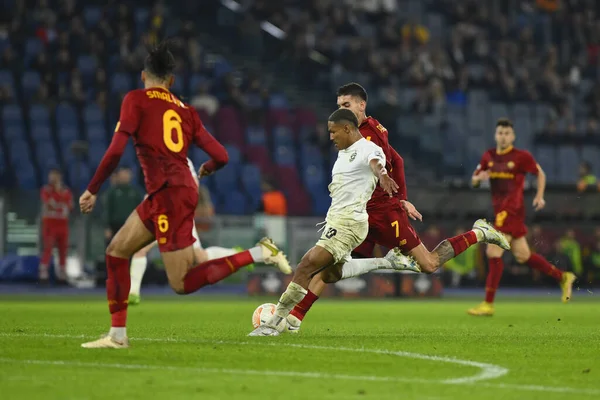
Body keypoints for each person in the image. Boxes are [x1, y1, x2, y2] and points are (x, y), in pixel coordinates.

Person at [78, 42, 291, 349]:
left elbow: (114, 152)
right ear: (172, 81)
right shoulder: (186, 111)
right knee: (116, 252)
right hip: (168, 192)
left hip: (170, 195)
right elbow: (221, 154)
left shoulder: (135, 100)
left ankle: (259, 254)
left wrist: (92, 188)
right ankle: (117, 336)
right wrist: (207, 168)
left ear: (143, 75)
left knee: (180, 283)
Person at [285, 83, 509, 333]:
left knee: (429, 264)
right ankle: (294, 319)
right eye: (339, 107)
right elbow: (398, 160)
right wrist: (402, 196)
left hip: (383, 212)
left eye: (346, 105)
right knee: (330, 268)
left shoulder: (369, 134)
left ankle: (478, 233)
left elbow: (381, 164)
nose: (342, 111)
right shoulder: (357, 132)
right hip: (359, 215)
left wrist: (397, 199)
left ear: (362, 105)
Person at [249, 109, 424, 337]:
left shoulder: (369, 149)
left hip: (349, 223)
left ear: (347, 129)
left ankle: (273, 324)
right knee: (332, 273)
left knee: (306, 265)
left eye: (333, 132)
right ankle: (389, 261)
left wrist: (382, 176)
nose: (330, 137)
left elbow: (376, 163)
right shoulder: (343, 152)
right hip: (339, 221)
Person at [468, 118, 577, 316]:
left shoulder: (521, 156)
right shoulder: (488, 156)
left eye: (507, 133)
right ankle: (563, 277)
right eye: (500, 133)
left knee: (493, 252)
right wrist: (478, 179)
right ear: (495, 135)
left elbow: (540, 174)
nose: (503, 136)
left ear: (513, 136)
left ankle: (488, 304)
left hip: (511, 211)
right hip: (501, 211)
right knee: (523, 256)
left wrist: (539, 196)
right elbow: (474, 180)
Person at [128, 157, 252, 305]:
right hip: (159, 215)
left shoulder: (182, 160)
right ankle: (133, 293)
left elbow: (193, 187)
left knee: (200, 258)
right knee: (139, 249)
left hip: (180, 217)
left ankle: (236, 254)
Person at [39, 168, 73, 284]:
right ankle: (44, 274)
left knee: (63, 250)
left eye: (56, 175)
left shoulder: (66, 191)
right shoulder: (46, 190)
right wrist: (60, 201)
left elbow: (69, 206)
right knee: (48, 248)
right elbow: (49, 203)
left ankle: (62, 275)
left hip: (62, 224)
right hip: (50, 224)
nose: (53, 178)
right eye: (51, 175)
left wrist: (59, 201)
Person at [102, 166, 143, 244]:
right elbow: (107, 210)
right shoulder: (112, 192)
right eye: (123, 174)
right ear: (118, 176)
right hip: (115, 227)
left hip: (131, 226)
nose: (125, 176)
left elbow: (140, 211)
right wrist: (107, 227)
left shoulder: (136, 192)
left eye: (127, 174)